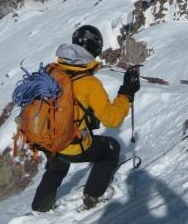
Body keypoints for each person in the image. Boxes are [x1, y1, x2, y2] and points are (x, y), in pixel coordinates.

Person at [31, 25, 140, 212]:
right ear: (95, 49)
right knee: (110, 149)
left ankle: (40, 207)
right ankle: (93, 196)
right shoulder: (89, 83)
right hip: (71, 144)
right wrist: (126, 92)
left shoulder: (52, 71)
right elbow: (112, 120)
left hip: (48, 141)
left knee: (57, 165)